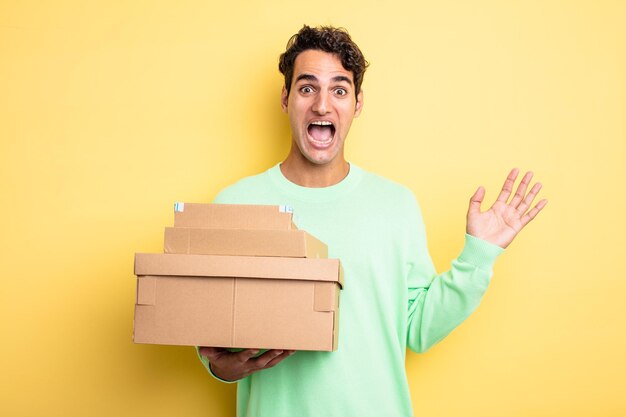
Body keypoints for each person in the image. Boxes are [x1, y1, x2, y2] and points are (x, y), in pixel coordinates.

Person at [197, 25, 547, 417]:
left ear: (358, 104)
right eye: (307, 88)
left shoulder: (395, 205)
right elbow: (216, 334)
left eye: (339, 90)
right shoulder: (236, 203)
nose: (323, 106)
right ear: (286, 98)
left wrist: (478, 258)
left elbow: (418, 329)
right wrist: (219, 368)